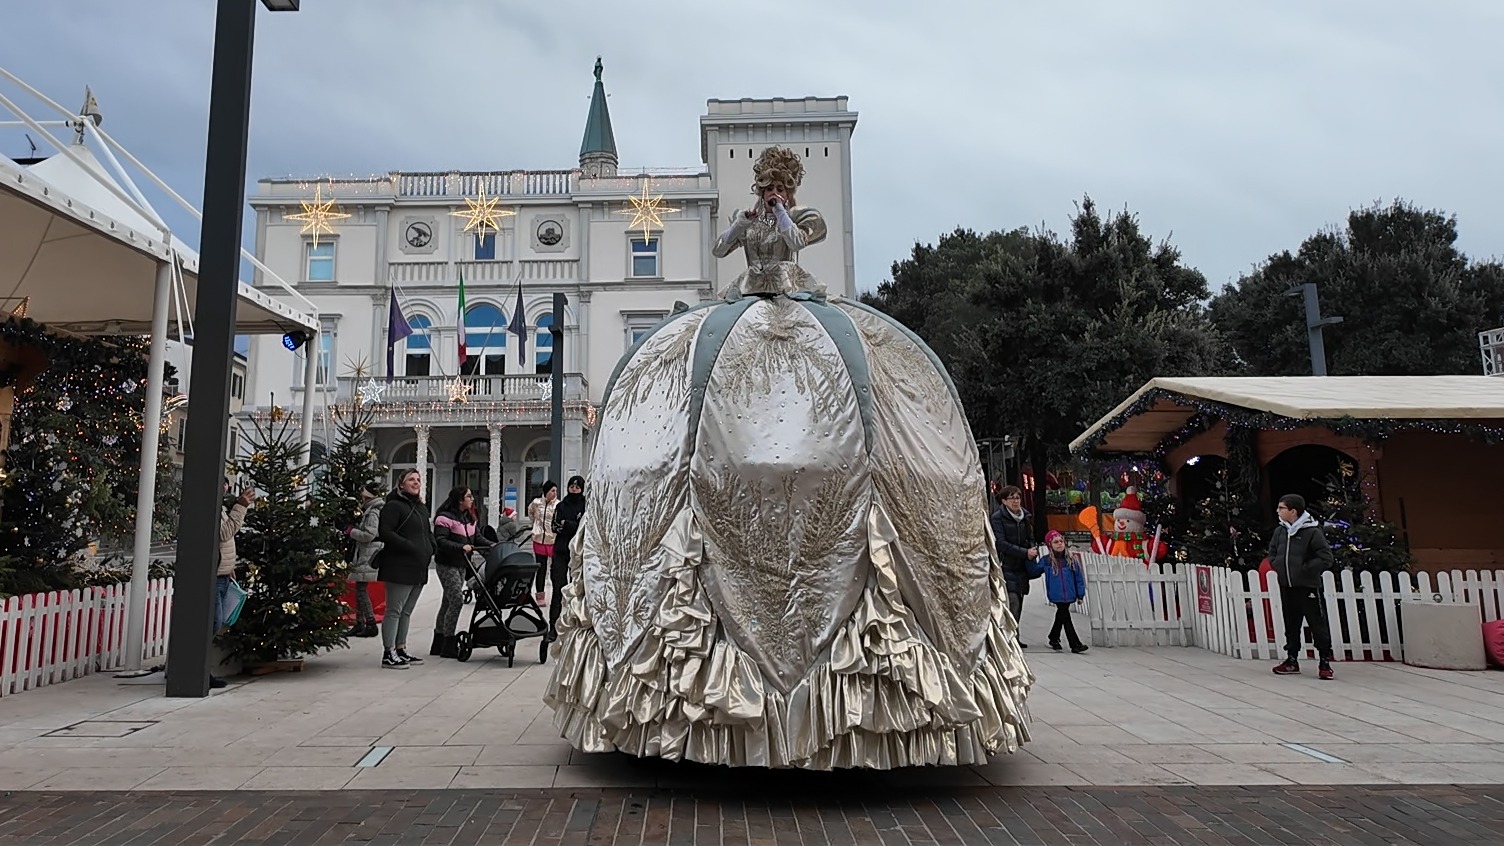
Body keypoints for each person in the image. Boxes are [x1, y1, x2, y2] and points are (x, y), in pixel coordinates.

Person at [544, 146, 1031, 770]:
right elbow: (723, 250)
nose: (774, 191)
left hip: (796, 313)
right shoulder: (752, 223)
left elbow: (793, 242)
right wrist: (746, 218)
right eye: (768, 184)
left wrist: (776, 215)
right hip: (746, 311)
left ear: (792, 187)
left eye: (780, 185)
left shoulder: (805, 220)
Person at [1269, 493, 1336, 680]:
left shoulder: (1312, 532)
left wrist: (1306, 569)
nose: (1278, 511)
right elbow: (1272, 552)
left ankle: (1324, 661)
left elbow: (1325, 557)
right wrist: (1278, 565)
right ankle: (1291, 659)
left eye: (1281, 508)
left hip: (1308, 587)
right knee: (1291, 624)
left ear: (1293, 511)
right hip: (1287, 585)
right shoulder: (1280, 532)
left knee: (1317, 624)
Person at [376, 469, 434, 669]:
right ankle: (388, 652)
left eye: (418, 479)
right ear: (401, 484)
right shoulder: (393, 506)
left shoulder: (421, 508)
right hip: (399, 565)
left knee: (407, 611)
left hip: (419, 566)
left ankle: (401, 647)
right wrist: (409, 546)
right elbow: (385, 532)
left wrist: (430, 547)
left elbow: (427, 532)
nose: (416, 482)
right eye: (411, 479)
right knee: (394, 610)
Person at [211, 481, 254, 689]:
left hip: (223, 573)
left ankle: (203, 669)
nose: (226, 488)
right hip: (215, 576)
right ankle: (199, 669)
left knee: (215, 623)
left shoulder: (219, 508)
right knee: (213, 622)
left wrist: (228, 566)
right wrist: (241, 507)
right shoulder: (211, 508)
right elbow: (224, 534)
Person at [431, 486, 478, 659]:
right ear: (460, 500)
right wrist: (460, 547)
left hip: (462, 564)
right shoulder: (444, 518)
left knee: (447, 601)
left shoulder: (469, 518)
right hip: (447, 563)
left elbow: (476, 538)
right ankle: (448, 643)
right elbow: (441, 541)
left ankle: (438, 641)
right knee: (456, 600)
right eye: (469, 496)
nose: (472, 499)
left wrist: (492, 545)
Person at [990, 485, 1039, 647]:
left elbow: (1030, 537)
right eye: (1012, 498)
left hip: (1022, 566)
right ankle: (1009, 637)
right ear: (1004, 501)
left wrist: (1032, 549)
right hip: (1006, 565)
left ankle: (1014, 635)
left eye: (1017, 497)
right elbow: (1001, 543)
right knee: (1012, 601)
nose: (1016, 501)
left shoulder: (1025, 516)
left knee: (1020, 600)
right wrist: (1025, 552)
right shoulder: (998, 518)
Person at [546, 475, 587, 641]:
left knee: (577, 590)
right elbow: (554, 526)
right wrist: (568, 525)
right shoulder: (561, 505)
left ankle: (575, 625)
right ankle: (553, 626)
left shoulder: (586, 505)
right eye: (572, 487)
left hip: (578, 553)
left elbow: (582, 527)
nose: (574, 490)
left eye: (577, 488)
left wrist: (567, 524)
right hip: (561, 552)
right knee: (558, 589)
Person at [343, 483, 384, 638]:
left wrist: (351, 531)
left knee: (361, 589)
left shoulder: (373, 512)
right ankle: (360, 623)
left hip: (369, 552)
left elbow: (369, 535)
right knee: (359, 588)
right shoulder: (374, 509)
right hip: (368, 552)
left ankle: (370, 622)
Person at [1038, 531, 1088, 653]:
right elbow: (1035, 571)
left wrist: (1080, 594)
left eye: (1061, 541)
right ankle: (1075, 644)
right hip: (1056, 594)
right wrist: (1029, 558)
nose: (1060, 544)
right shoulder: (1046, 561)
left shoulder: (1071, 560)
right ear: (1050, 545)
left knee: (1061, 615)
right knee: (1065, 616)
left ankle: (1053, 637)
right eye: (1056, 542)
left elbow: (1079, 578)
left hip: (1069, 593)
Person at [528, 482, 559, 604]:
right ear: (546, 491)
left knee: (555, 569)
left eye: (556, 491)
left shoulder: (558, 505)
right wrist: (536, 525)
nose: (554, 493)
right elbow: (530, 513)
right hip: (539, 540)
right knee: (541, 569)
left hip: (553, 540)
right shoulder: (536, 503)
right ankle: (540, 596)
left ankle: (558, 594)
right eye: (552, 490)